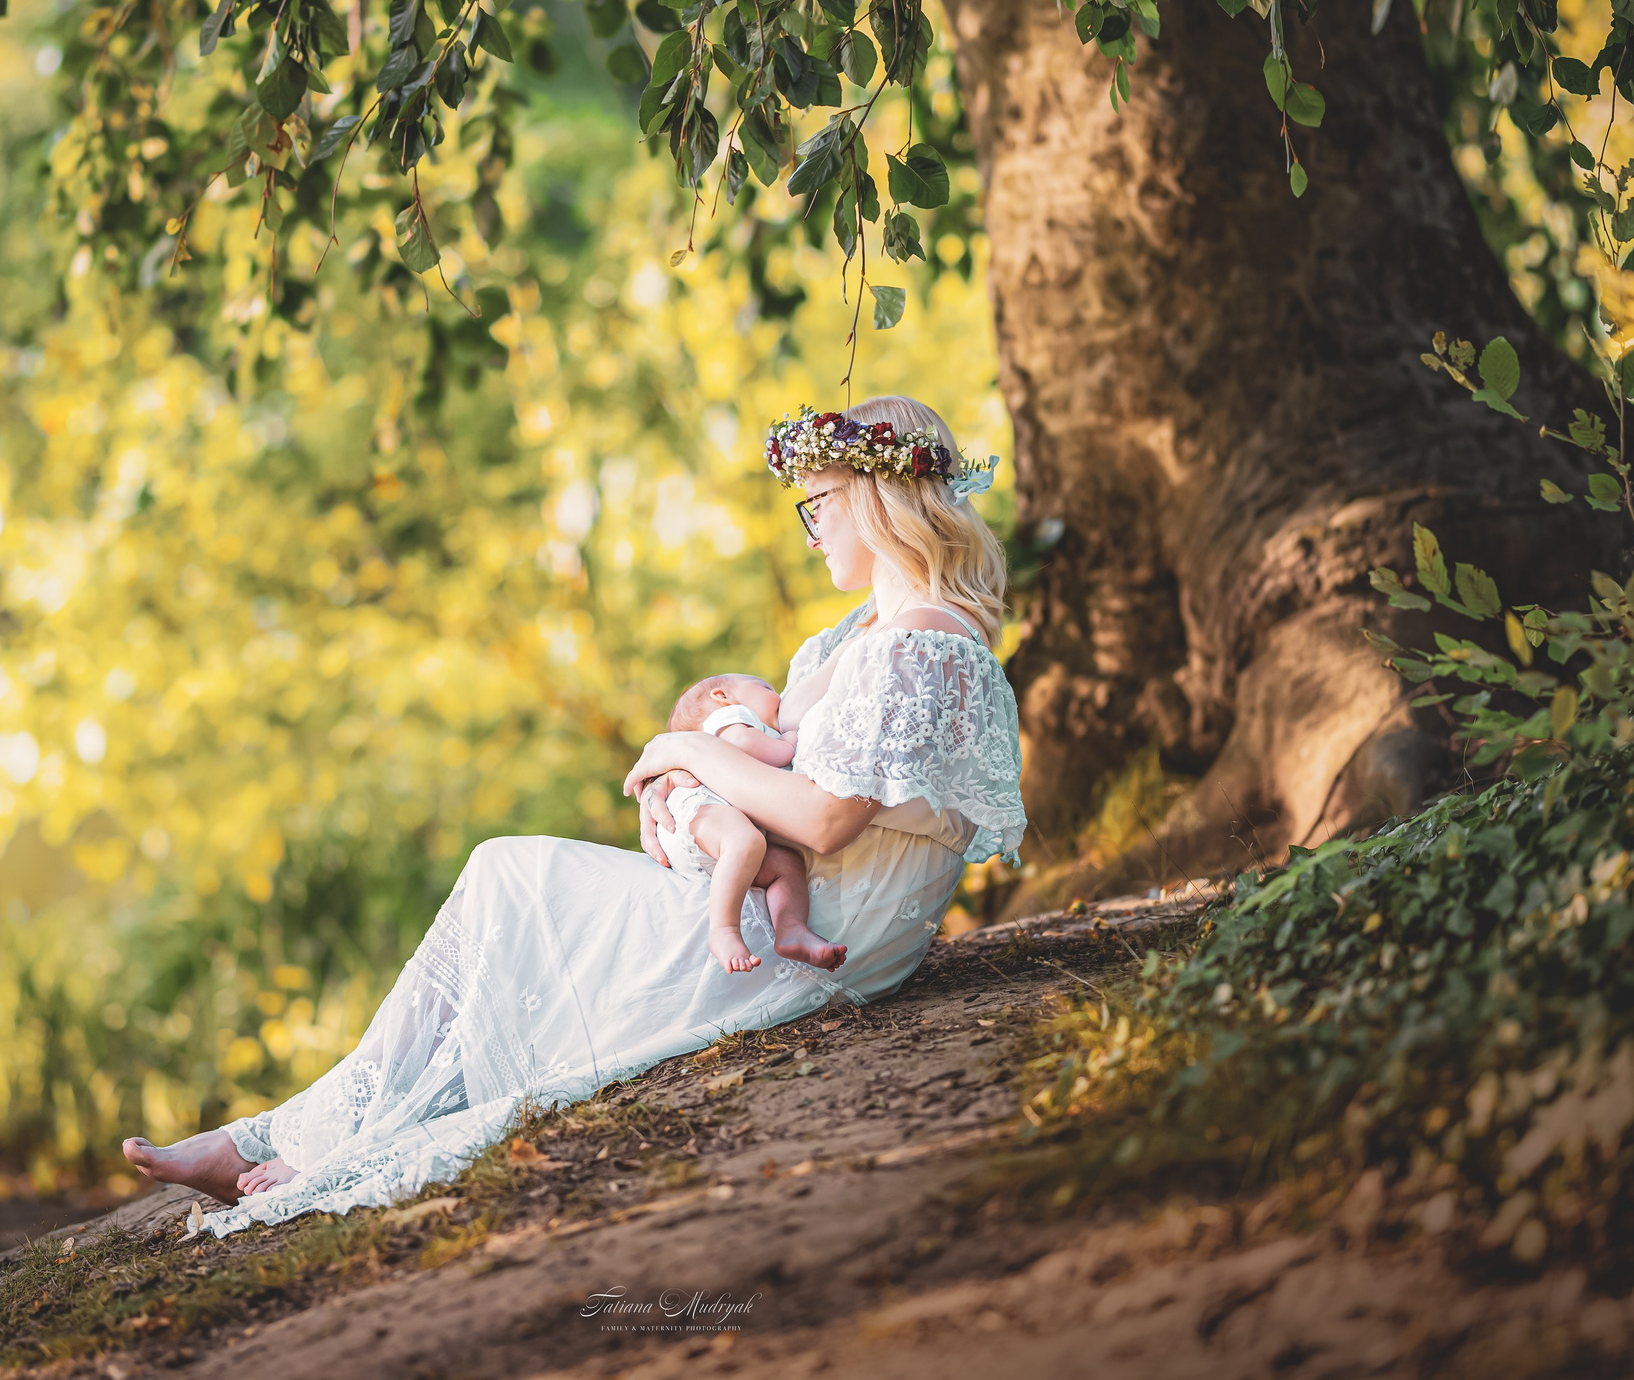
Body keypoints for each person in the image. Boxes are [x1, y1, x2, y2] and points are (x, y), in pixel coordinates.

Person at [120, 394, 1021, 1232]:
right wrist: (688, 811)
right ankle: (286, 1134)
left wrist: (681, 754)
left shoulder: (928, 647)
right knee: (507, 881)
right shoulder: (858, 637)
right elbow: (784, 772)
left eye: (819, 500)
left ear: (876, 497)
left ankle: (297, 1144)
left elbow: (827, 822)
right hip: (781, 907)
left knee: (512, 875)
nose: (812, 525)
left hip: (821, 939)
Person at [651, 671, 846, 974]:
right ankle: (723, 932)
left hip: (715, 838)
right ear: (722, 696)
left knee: (786, 863)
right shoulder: (730, 718)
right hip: (700, 809)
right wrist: (788, 742)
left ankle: (791, 929)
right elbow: (742, 741)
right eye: (766, 688)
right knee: (746, 840)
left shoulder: (741, 723)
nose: (778, 695)